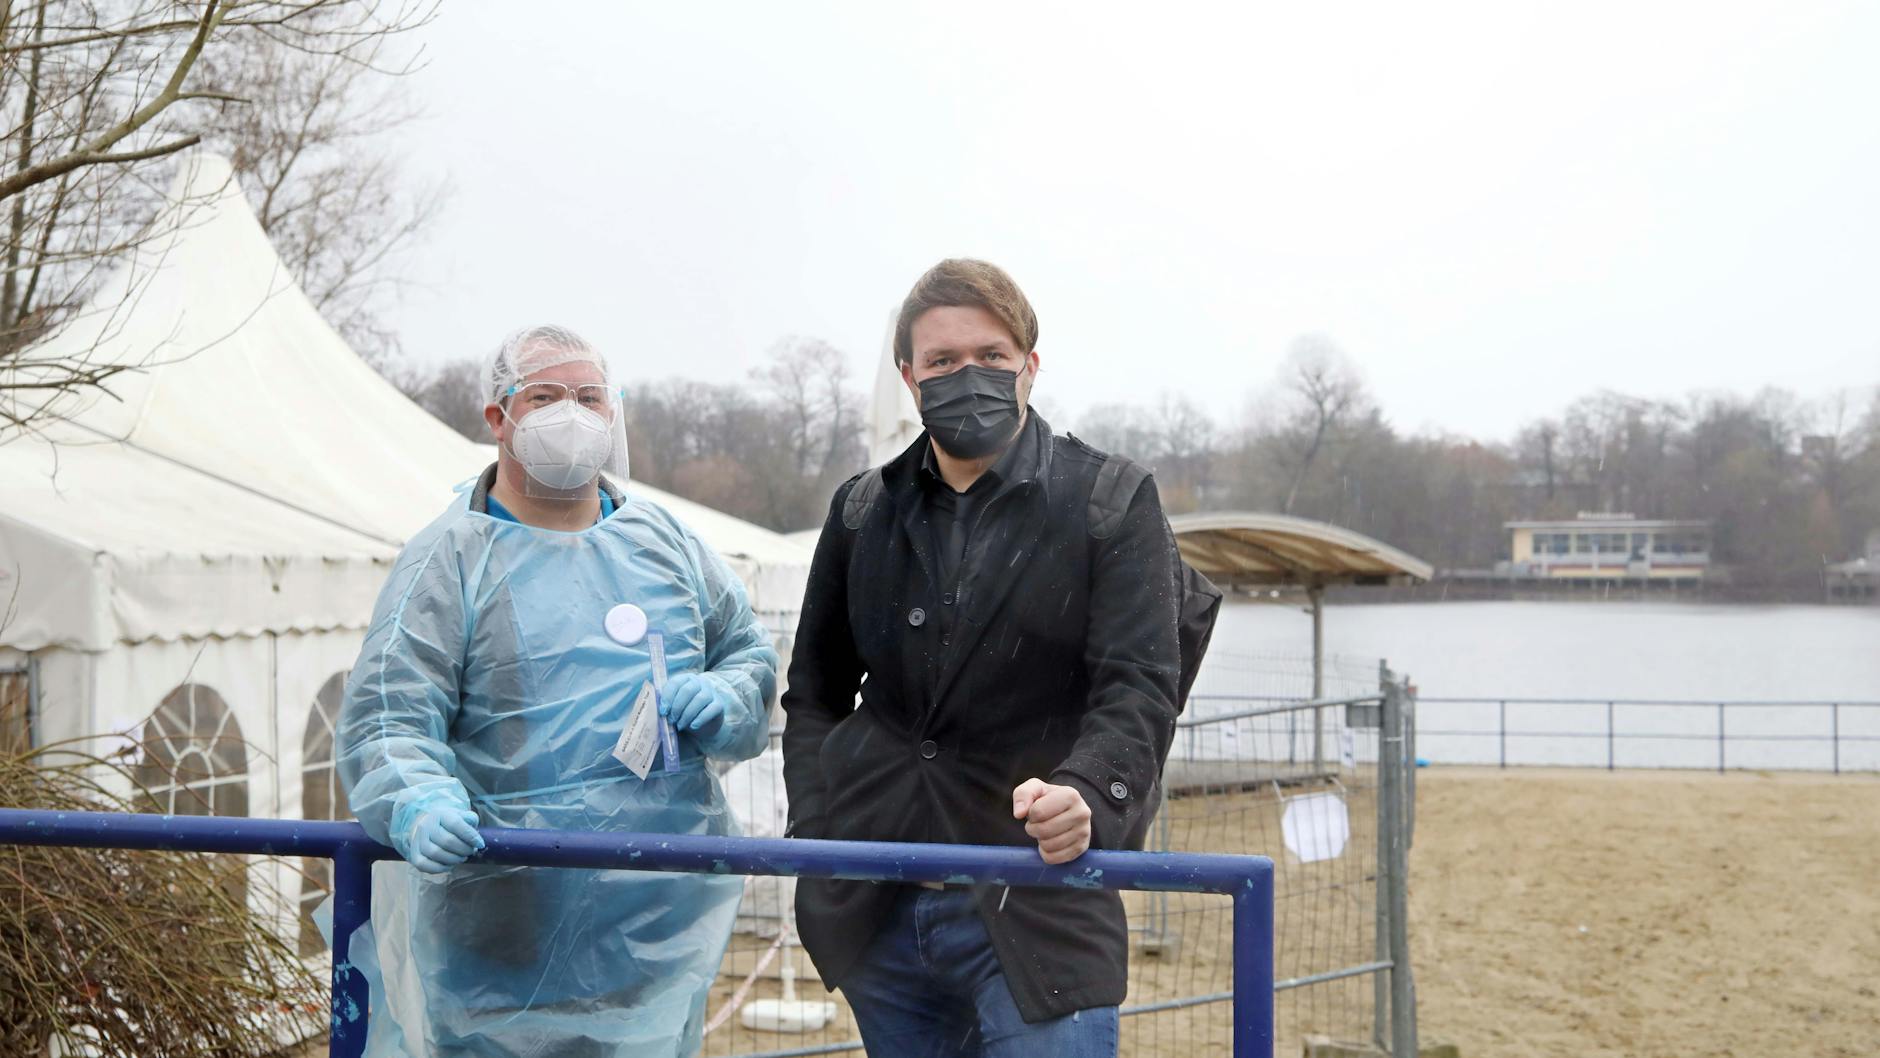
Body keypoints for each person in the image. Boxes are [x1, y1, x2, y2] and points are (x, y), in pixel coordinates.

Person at [335, 325, 779, 1058]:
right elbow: (388, 717)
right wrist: (415, 799)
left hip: (657, 921)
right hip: (503, 920)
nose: (569, 414)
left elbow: (748, 653)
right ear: (497, 417)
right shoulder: (446, 564)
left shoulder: (666, 543)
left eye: (588, 397)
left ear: (613, 415)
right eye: (543, 397)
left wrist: (730, 697)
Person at [781, 260, 1186, 1057]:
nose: (968, 376)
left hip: (1039, 904)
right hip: (877, 915)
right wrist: (820, 832)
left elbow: (1139, 687)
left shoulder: (1110, 502)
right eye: (941, 362)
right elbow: (814, 693)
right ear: (909, 376)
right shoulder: (863, 511)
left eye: (992, 357)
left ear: (1031, 366)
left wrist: (1086, 793)